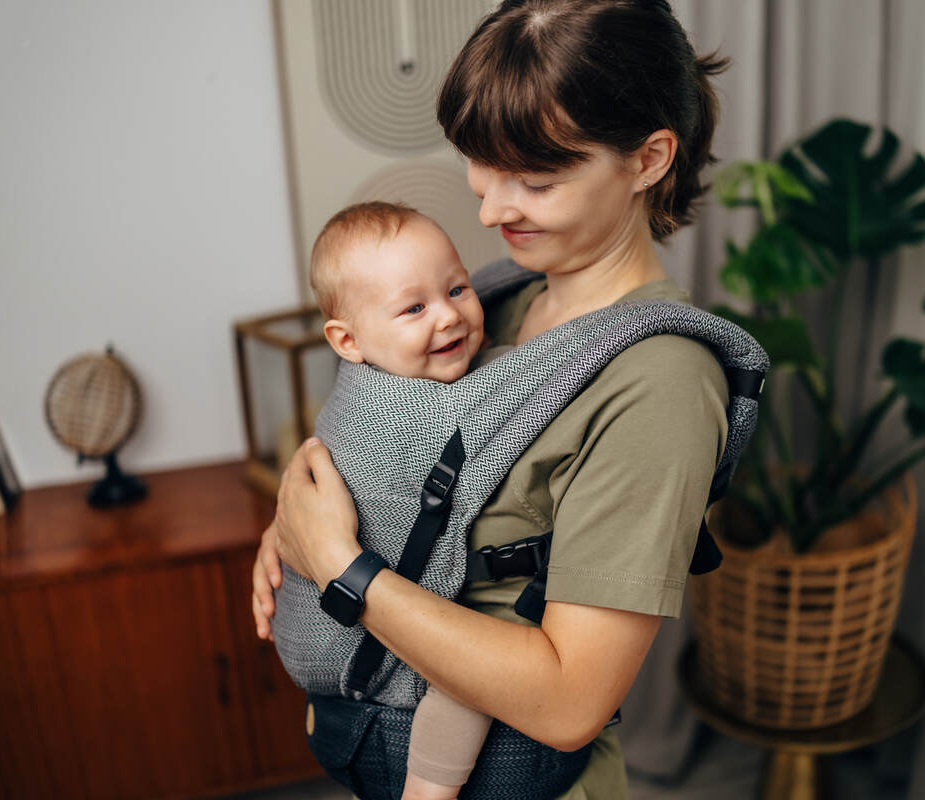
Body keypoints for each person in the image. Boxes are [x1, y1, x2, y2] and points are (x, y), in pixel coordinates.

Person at [252, 1, 731, 796]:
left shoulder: (661, 383)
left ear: (648, 159)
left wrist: (337, 563)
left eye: (535, 181)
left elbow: (570, 700)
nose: (489, 209)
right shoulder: (495, 302)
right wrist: (293, 521)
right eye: (480, 165)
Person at [304, 200, 500, 800]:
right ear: (349, 341)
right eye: (414, 307)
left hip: (359, 606)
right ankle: (427, 791)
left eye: (458, 288)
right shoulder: (393, 416)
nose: (449, 317)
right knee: (472, 676)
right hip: (377, 629)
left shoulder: (383, 373)